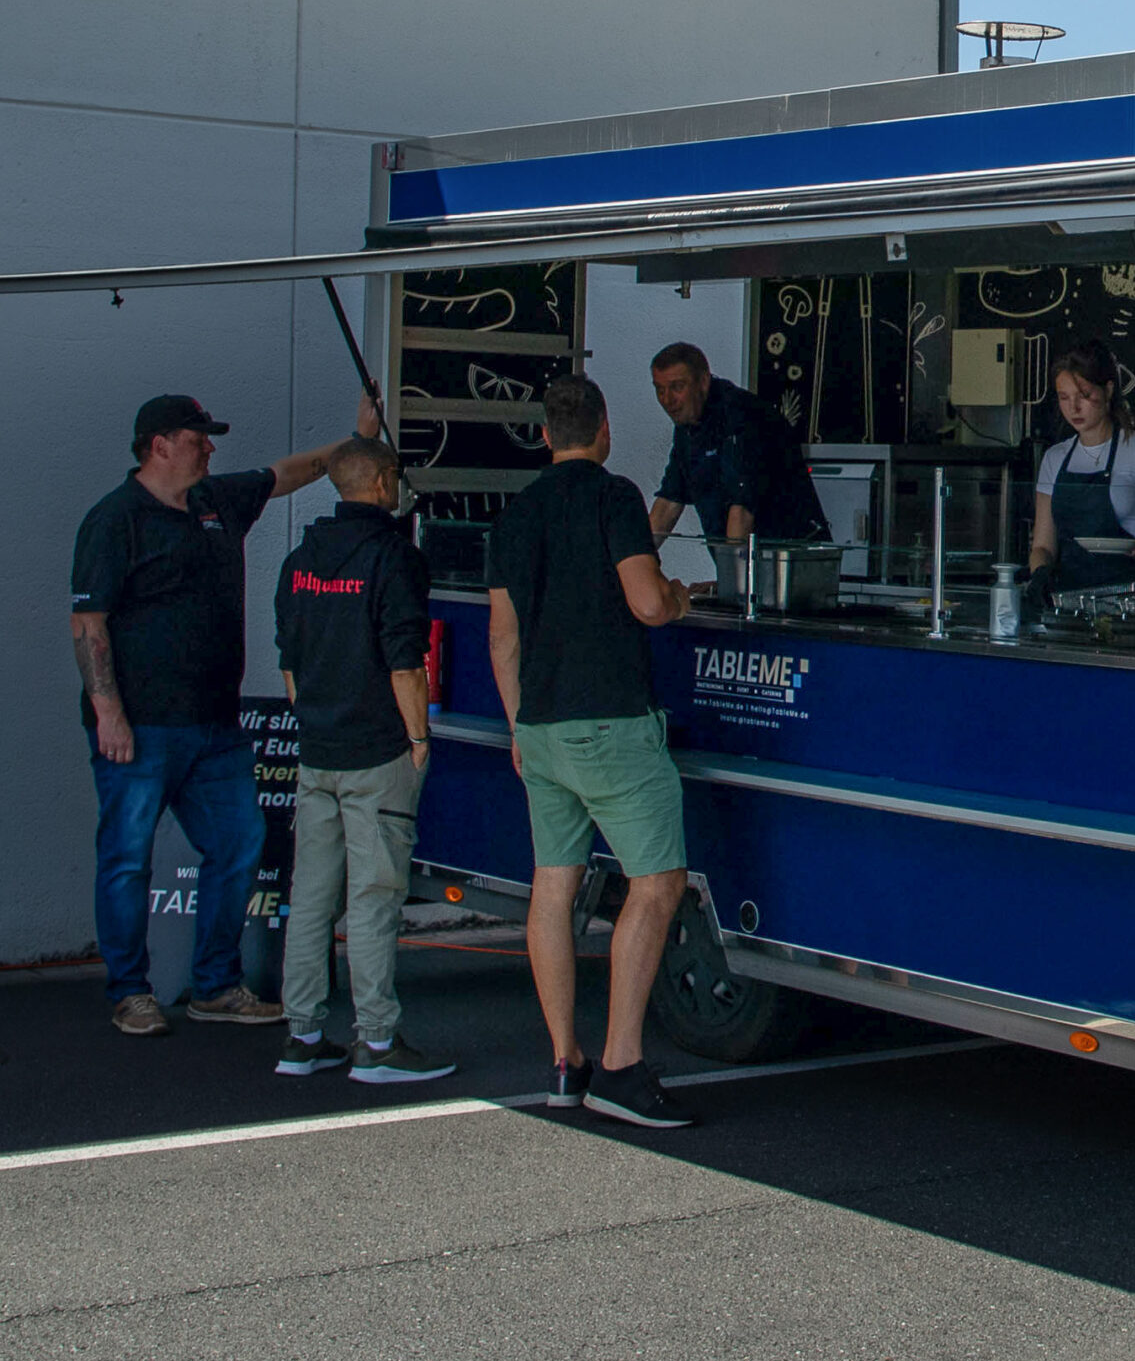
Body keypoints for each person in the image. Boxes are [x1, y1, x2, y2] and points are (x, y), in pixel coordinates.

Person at [71, 390, 374, 1037]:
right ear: (159, 445)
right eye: (198, 437)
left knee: (238, 846)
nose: (210, 447)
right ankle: (131, 992)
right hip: (142, 726)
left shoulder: (214, 503)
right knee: (126, 858)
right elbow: (88, 622)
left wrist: (353, 442)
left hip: (216, 725)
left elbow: (285, 474)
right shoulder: (115, 519)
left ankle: (215, 985)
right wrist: (108, 714)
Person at [488, 373, 699, 1127]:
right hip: (611, 722)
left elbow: (502, 633)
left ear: (545, 434)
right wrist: (678, 596)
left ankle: (563, 1061)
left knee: (553, 888)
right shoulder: (614, 497)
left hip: (540, 729)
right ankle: (621, 1065)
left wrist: (517, 724)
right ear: (603, 430)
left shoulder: (515, 515)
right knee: (657, 884)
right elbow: (645, 602)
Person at [271, 434, 457, 1087]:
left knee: (311, 898)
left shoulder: (299, 558)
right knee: (374, 900)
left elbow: (288, 662)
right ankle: (376, 1042)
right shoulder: (393, 557)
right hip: (378, 752)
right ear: (381, 483)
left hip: (316, 751)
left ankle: (301, 1036)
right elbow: (406, 661)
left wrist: (313, 719)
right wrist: (419, 739)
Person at [1025, 340, 1135, 602]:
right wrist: (1040, 574)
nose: (1073, 408)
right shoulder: (1054, 459)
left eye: (1084, 395)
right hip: (1068, 604)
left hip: (1129, 606)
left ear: (1108, 390)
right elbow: (1043, 546)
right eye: (1064, 398)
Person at [647, 341, 828, 549]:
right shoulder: (687, 426)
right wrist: (635, 564)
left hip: (796, 558)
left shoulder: (742, 415)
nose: (667, 399)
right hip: (753, 566)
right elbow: (668, 504)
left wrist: (731, 577)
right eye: (660, 390)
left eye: (677, 387)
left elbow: (741, 510)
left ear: (704, 381)